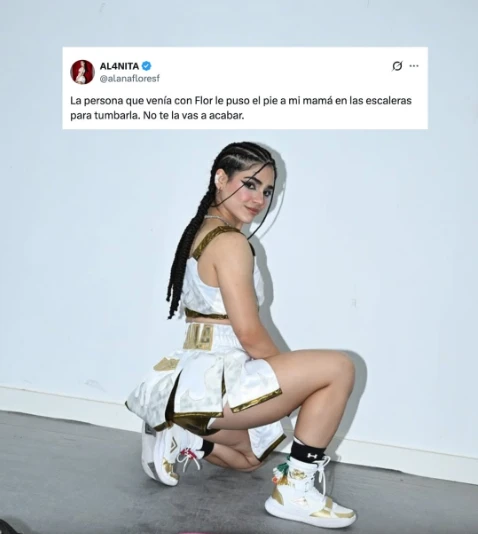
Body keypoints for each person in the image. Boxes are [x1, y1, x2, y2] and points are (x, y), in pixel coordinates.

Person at [126, 141, 357, 529]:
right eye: (250, 184)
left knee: (250, 459)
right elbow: (249, 333)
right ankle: (296, 492)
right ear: (221, 178)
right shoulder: (232, 243)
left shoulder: (201, 232)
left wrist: (286, 383)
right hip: (221, 378)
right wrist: (291, 386)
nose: (259, 199)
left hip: (194, 377)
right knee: (339, 368)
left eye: (267, 191)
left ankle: (183, 435)